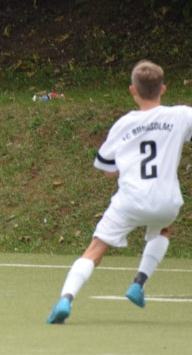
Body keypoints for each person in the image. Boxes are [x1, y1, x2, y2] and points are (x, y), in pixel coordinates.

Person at [46, 59, 192, 325]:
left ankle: (65, 299)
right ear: (163, 89)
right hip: (166, 200)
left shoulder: (124, 124)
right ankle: (138, 283)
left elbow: (106, 168)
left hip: (130, 200)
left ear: (133, 91)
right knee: (164, 228)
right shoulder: (182, 115)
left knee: (95, 249)